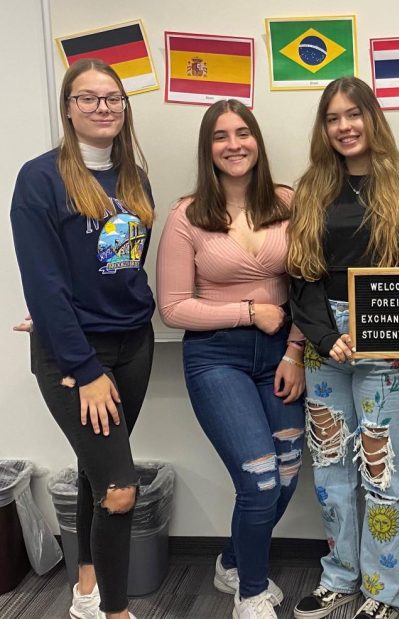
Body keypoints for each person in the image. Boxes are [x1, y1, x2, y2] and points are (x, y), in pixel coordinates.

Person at [286, 76, 399, 619]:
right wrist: (327, 338)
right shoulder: (310, 190)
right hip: (324, 343)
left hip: (391, 340)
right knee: (329, 466)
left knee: (383, 471)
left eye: (353, 114)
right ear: (323, 128)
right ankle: (340, 576)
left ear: (372, 117)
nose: (344, 127)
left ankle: (382, 590)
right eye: (332, 118)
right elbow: (301, 278)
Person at [10, 58, 155, 619]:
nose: (103, 108)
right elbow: (42, 280)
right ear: (69, 109)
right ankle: (116, 612)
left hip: (135, 344)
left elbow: (118, 267)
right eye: (89, 98)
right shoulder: (40, 177)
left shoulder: (134, 178)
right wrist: (84, 364)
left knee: (100, 471)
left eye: (113, 98)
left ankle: (86, 590)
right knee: (120, 487)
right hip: (77, 357)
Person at [156, 99, 305, 619]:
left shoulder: (288, 202)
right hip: (216, 359)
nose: (234, 144)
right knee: (260, 478)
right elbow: (172, 308)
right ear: (208, 148)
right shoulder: (187, 214)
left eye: (243, 133)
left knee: (287, 472)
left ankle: (232, 561)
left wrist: (294, 349)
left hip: (283, 357)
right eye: (221, 136)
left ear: (257, 140)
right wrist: (248, 311)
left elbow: (309, 284)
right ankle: (250, 592)